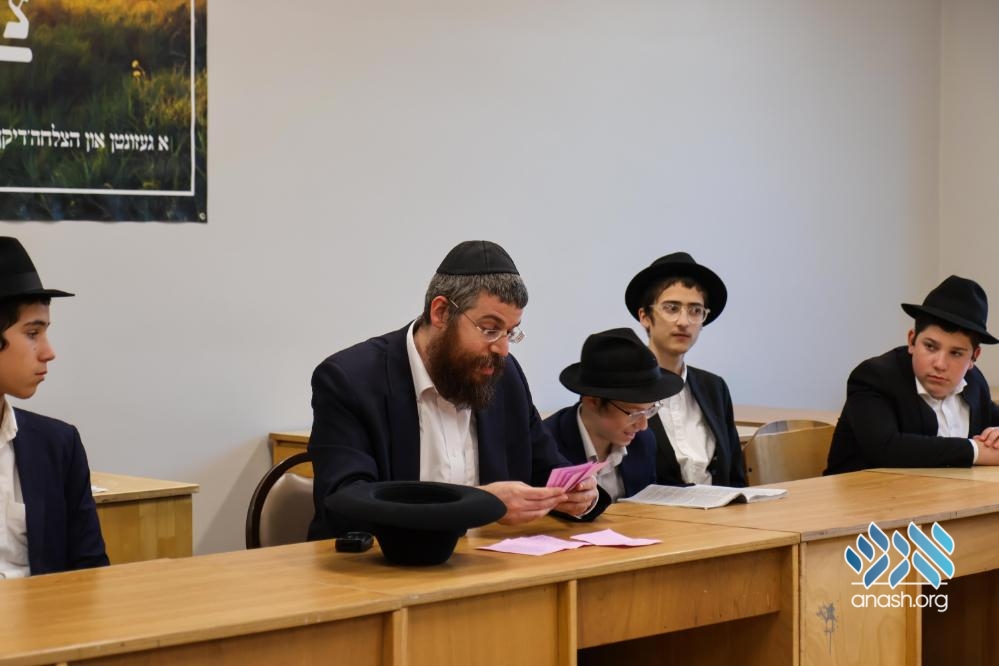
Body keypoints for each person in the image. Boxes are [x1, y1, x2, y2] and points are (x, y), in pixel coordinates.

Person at [308, 240, 604, 539]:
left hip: (487, 559)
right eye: (490, 329)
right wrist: (479, 504)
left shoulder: (504, 376)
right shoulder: (351, 380)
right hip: (382, 561)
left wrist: (580, 495)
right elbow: (346, 503)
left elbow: (547, 472)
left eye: (510, 332)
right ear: (441, 312)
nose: (503, 349)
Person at [0, 237, 108, 578]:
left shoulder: (58, 444)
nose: (49, 352)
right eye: (33, 333)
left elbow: (91, 573)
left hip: (47, 612)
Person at [825, 275, 999, 473]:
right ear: (912, 341)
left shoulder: (974, 383)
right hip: (862, 491)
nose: (940, 364)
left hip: (944, 490)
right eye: (930, 347)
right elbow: (885, 448)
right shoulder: (873, 377)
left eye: (956, 353)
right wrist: (977, 450)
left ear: (974, 357)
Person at [624, 252, 747, 487]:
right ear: (645, 316)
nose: (684, 321)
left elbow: (735, 477)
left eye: (695, 311)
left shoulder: (714, 387)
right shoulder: (619, 387)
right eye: (672, 308)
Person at [543, 328, 683, 502]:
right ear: (592, 401)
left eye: (649, 410)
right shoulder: (545, 445)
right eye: (633, 413)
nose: (643, 425)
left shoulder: (643, 442)